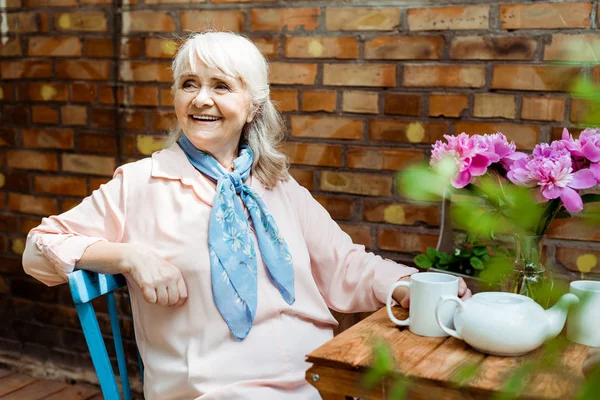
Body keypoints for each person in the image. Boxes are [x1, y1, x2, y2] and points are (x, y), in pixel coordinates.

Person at [22, 31, 471, 399]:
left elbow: (344, 265)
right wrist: (128, 256)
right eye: (189, 84)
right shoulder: (142, 183)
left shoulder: (275, 184)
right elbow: (40, 247)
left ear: (253, 103)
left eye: (221, 86)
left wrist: (405, 284)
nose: (201, 99)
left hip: (319, 378)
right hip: (216, 392)